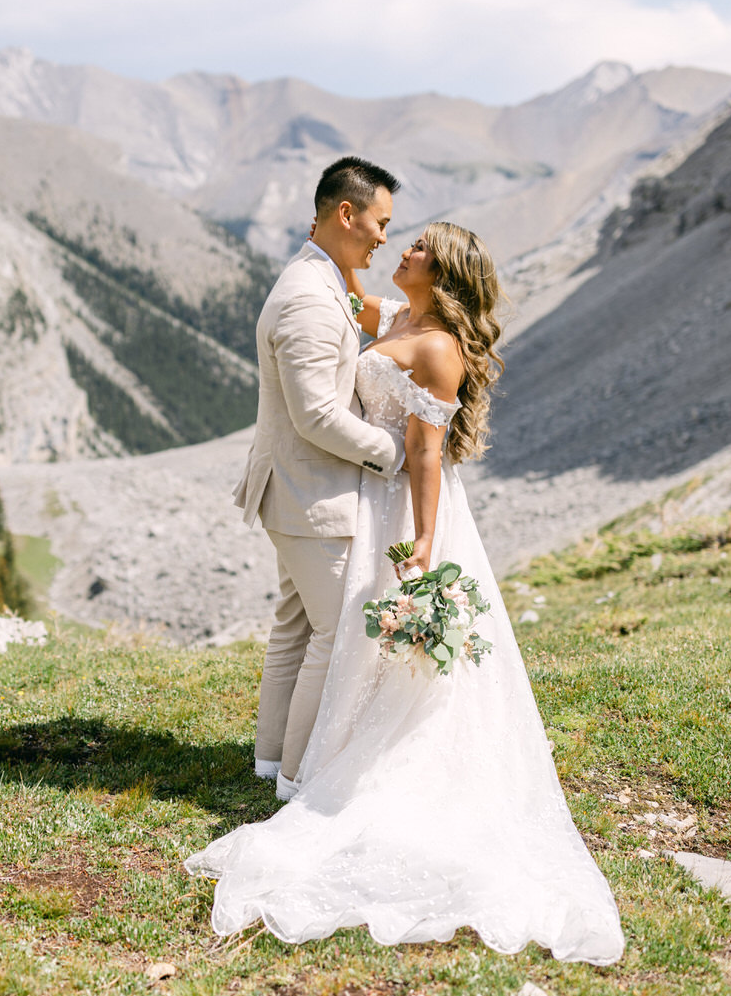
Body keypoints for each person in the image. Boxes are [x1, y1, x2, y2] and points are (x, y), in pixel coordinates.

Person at [187, 221, 626, 964]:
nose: (402, 250)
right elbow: (347, 294)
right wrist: (328, 239)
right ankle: (304, 758)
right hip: (364, 493)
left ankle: (324, 770)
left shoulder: (438, 348)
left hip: (402, 501)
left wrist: (423, 544)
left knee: (356, 636)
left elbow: (427, 453)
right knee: (339, 634)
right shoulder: (397, 317)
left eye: (416, 247)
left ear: (441, 271)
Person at [233, 156, 408, 802]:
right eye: (381, 222)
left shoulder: (323, 277)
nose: (385, 237)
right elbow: (315, 415)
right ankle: (297, 782)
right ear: (346, 213)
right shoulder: (309, 296)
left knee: (296, 626)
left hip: (294, 488)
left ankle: (270, 760)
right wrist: (393, 450)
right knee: (338, 635)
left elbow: (361, 316)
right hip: (311, 492)